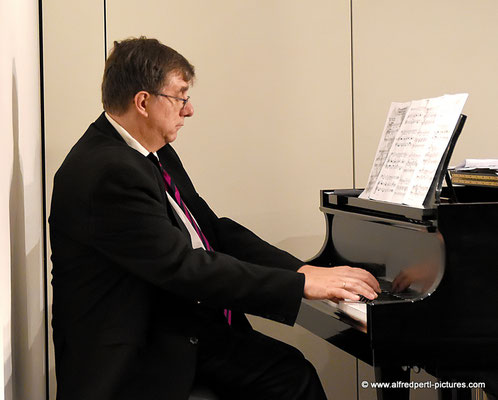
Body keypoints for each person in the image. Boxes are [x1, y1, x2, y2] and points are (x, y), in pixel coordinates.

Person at [49, 37, 380, 400]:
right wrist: (300, 287)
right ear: (143, 102)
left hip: (170, 320)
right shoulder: (109, 171)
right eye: (180, 96)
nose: (188, 110)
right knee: (292, 377)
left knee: (290, 370)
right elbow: (184, 267)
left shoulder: (146, 151)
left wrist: (301, 271)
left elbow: (213, 230)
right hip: (135, 352)